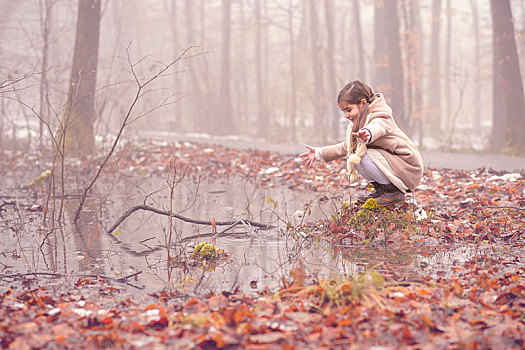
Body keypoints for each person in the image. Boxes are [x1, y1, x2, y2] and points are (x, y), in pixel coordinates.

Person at [299, 80, 424, 206]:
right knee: (354, 154)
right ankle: (382, 190)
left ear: (363, 103)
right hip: (394, 163)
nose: (346, 115)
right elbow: (346, 147)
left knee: (363, 155)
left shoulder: (380, 116)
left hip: (407, 164)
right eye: (344, 112)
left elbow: (378, 127)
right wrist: (319, 153)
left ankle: (393, 193)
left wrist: (367, 134)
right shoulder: (357, 123)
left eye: (349, 110)